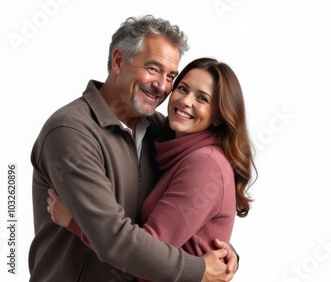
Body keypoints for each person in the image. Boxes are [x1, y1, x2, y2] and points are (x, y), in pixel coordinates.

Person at [29, 15, 238, 282]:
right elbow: (115, 240)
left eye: (171, 76)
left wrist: (220, 250)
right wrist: (199, 270)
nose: (162, 86)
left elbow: (187, 214)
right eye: (153, 69)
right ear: (118, 61)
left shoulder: (159, 130)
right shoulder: (71, 132)